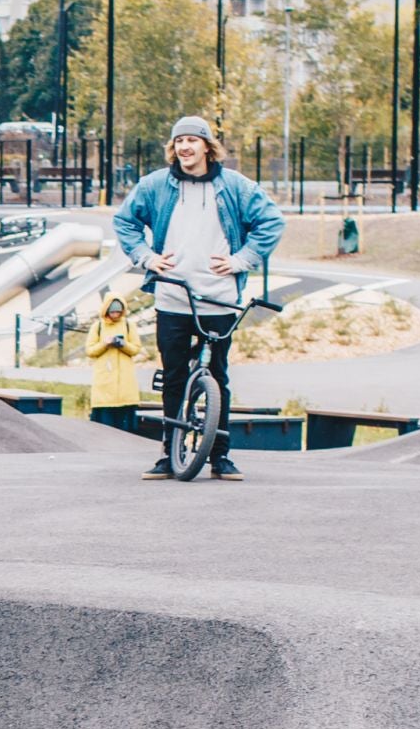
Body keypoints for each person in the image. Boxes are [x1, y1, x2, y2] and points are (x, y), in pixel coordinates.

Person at [109, 115, 284, 479]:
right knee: (173, 377)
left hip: (219, 298)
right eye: (179, 142)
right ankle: (168, 454)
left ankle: (220, 456)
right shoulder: (156, 184)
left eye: (192, 140)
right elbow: (125, 222)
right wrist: (146, 257)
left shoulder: (234, 186)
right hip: (172, 296)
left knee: (217, 377)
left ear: (207, 146)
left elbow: (271, 221)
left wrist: (242, 260)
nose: (185, 147)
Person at [84, 292, 149, 437]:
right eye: (113, 311)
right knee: (105, 424)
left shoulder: (128, 325)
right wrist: (105, 344)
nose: (116, 315)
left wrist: (123, 344)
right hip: (104, 381)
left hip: (125, 382)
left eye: (118, 312)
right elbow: (90, 350)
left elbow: (135, 349)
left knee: (124, 424)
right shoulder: (98, 326)